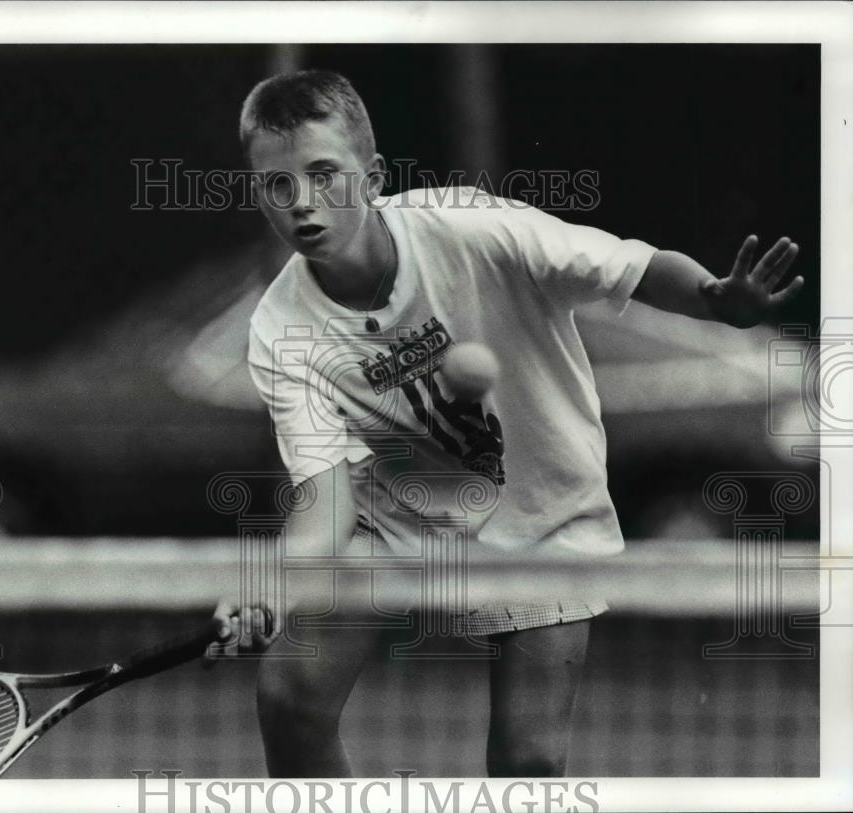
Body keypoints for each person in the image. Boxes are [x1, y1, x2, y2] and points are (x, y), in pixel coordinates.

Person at [212, 70, 803, 778]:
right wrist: (278, 583)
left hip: (543, 515)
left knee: (527, 763)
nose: (303, 202)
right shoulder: (280, 329)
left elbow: (630, 267)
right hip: (394, 523)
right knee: (289, 700)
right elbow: (327, 494)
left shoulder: (475, 228)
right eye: (278, 184)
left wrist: (712, 296)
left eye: (324, 174)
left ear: (373, 175)